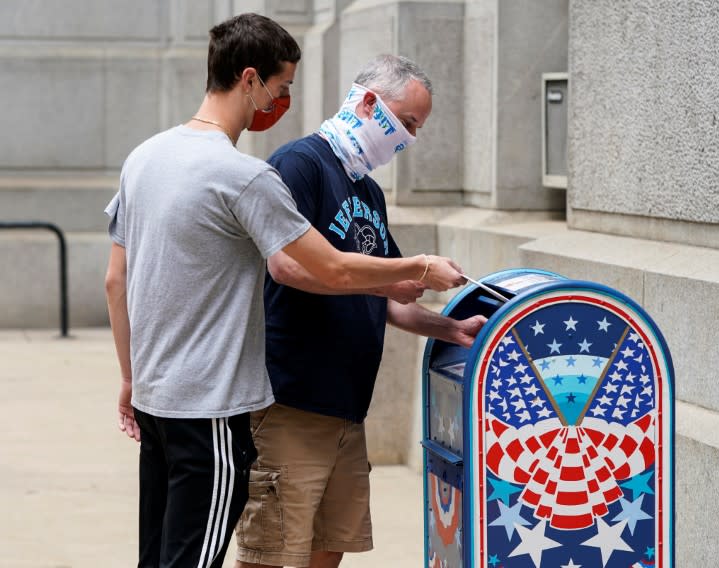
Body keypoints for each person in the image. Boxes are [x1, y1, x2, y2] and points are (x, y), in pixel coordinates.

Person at [103, 16, 465, 568]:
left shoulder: (144, 158)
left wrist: (130, 377)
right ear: (250, 80)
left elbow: (115, 280)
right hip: (217, 406)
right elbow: (324, 270)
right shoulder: (250, 174)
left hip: (165, 399)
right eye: (284, 86)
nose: (285, 101)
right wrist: (418, 265)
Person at [233, 55, 487, 568]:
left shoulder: (368, 190)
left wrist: (451, 327)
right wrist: (411, 269)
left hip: (348, 407)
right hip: (291, 402)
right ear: (368, 102)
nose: (408, 139)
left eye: (417, 129)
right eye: (406, 123)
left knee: (331, 546)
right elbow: (286, 267)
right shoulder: (300, 164)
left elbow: (389, 292)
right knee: (272, 553)